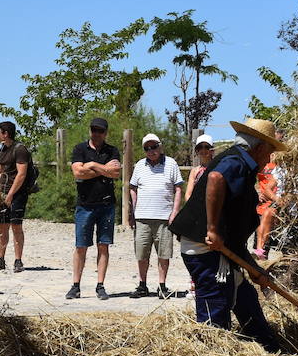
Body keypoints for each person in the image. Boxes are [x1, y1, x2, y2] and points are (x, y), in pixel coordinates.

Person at [168, 119, 286, 351]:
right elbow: (215, 179)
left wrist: (255, 269)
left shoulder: (242, 162)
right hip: (206, 248)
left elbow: (232, 227)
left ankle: (270, 348)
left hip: (223, 247)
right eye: (270, 152)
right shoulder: (236, 161)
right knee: (216, 311)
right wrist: (212, 229)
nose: (270, 158)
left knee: (246, 299)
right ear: (260, 147)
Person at [67, 117, 121, 300]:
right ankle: (75, 285)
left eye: (100, 131)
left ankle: (100, 285)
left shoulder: (112, 150)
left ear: (105, 132)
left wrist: (92, 165)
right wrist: (103, 169)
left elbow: (115, 173)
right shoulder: (79, 149)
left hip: (106, 206)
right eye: (94, 130)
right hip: (85, 206)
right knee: (81, 246)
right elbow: (77, 172)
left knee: (103, 245)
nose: (96, 134)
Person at [128, 133, 182, 298]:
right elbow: (132, 187)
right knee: (142, 253)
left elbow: (178, 188)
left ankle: (162, 286)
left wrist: (175, 211)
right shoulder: (139, 165)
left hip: (164, 217)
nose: (151, 151)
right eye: (147, 148)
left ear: (160, 146)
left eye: (154, 147)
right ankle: (142, 285)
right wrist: (133, 211)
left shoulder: (171, 164)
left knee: (164, 254)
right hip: (142, 217)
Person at [0, 121, 32, 273]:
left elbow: (21, 174)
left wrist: (10, 195)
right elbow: (0, 171)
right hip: (3, 192)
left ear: (6, 134)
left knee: (16, 226)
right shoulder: (3, 149)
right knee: (2, 226)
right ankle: (0, 260)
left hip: (18, 193)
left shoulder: (20, 150)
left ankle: (18, 261)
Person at [184, 134, 215, 201]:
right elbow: (188, 194)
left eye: (206, 147)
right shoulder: (194, 171)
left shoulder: (218, 168)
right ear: (197, 151)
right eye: (200, 147)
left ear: (212, 150)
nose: (203, 150)